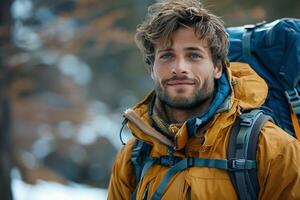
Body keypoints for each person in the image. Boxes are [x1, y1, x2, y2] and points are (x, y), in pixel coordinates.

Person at [108, 0, 300, 199]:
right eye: (166, 56)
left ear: (218, 67)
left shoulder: (274, 150)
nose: (179, 67)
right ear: (152, 69)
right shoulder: (134, 155)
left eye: (193, 55)